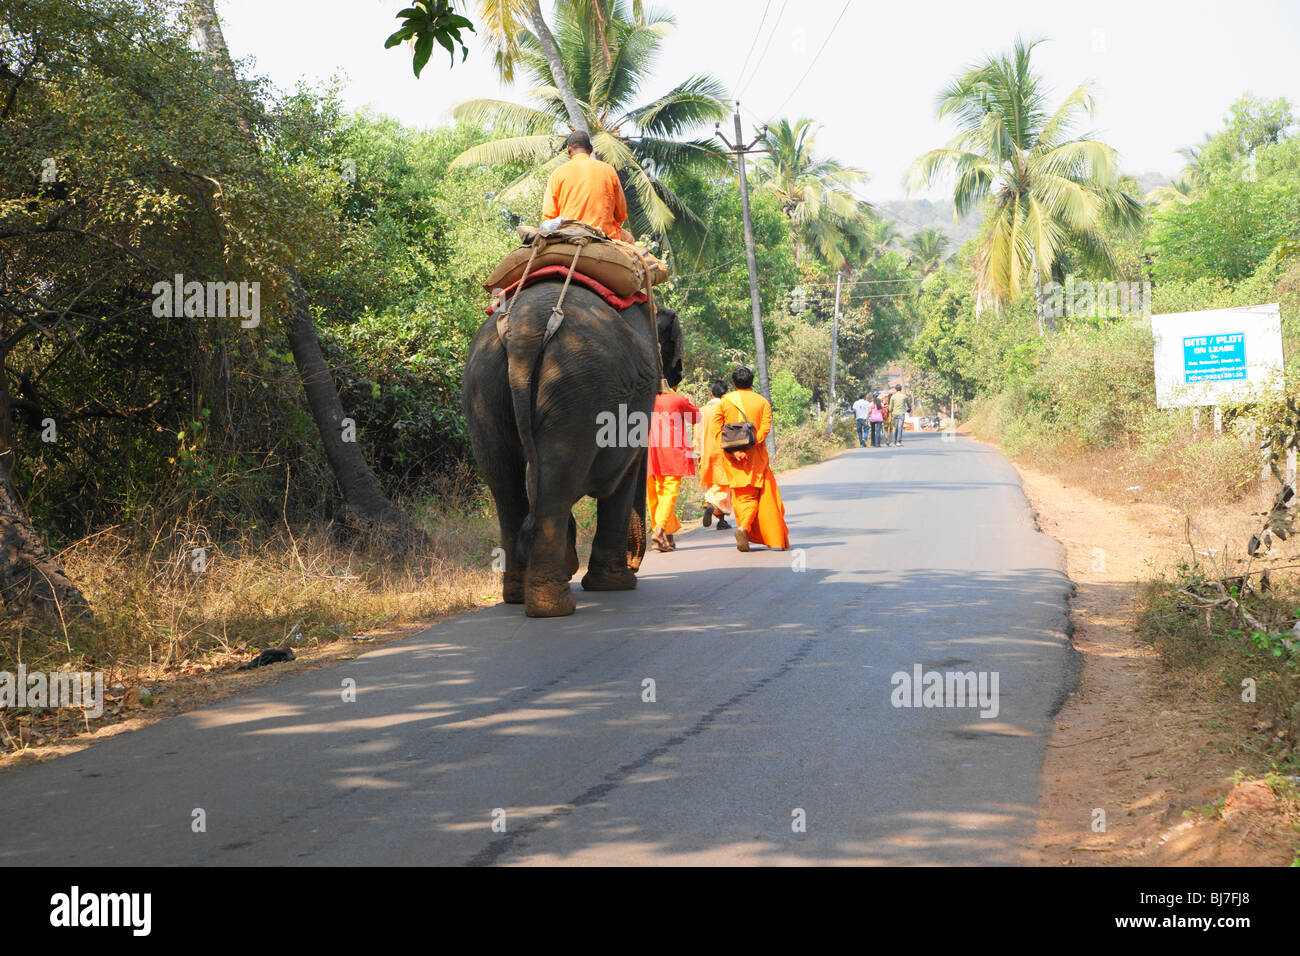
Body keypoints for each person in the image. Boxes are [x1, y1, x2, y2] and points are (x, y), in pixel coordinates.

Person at [711, 367, 790, 552]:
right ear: (752, 382)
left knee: (741, 495)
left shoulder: (724, 402)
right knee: (753, 494)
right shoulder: (762, 402)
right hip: (755, 457)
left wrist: (734, 451)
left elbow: (716, 431)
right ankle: (744, 528)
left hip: (733, 459)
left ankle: (744, 529)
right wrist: (750, 446)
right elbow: (764, 430)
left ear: (734, 383)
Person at [542, 130, 635, 243]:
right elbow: (621, 214)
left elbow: (549, 217)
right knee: (630, 241)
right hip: (605, 235)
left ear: (569, 150)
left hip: (569, 235)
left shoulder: (557, 174)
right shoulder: (608, 170)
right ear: (590, 150)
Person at [646, 383, 700, 552]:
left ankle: (667, 538)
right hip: (672, 452)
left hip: (650, 452)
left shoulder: (646, 399)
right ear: (674, 384)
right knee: (669, 492)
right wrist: (692, 402)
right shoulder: (678, 399)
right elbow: (696, 417)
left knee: (656, 495)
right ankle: (659, 530)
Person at [695, 379, 732, 530]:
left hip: (706, 452)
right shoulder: (726, 408)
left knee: (713, 483)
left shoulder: (702, 411)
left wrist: (697, 451)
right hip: (723, 450)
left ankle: (721, 520)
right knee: (724, 485)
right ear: (726, 394)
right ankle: (711, 504)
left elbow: (697, 433)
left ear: (710, 393)